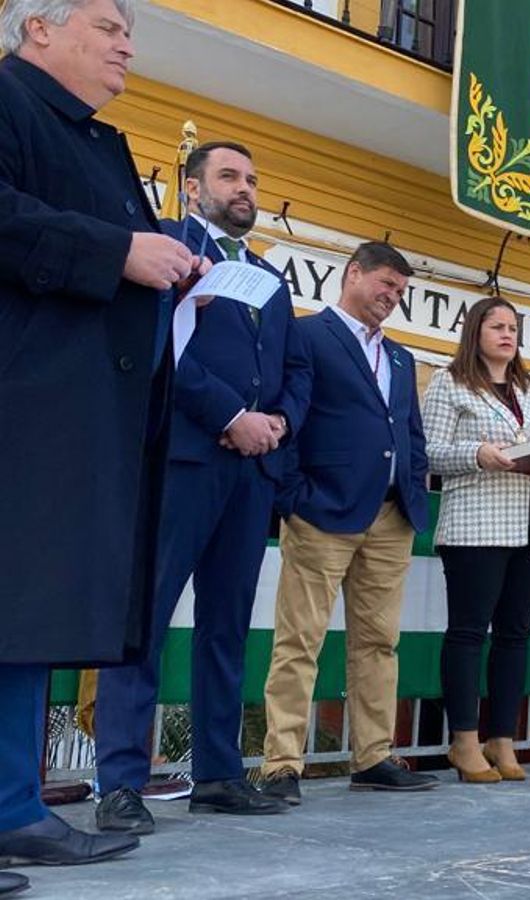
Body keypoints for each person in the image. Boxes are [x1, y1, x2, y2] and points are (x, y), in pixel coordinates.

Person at [0, 0, 203, 882]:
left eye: (129, 31)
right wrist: (118, 250)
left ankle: (15, 807)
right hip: (22, 399)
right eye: (106, 24)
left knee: (28, 615)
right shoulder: (7, 101)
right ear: (35, 28)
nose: (126, 43)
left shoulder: (97, 138)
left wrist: (157, 257)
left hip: (77, 412)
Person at [95, 140, 310, 832]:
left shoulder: (272, 279)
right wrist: (229, 416)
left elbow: (296, 368)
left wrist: (275, 422)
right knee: (146, 620)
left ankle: (217, 772)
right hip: (184, 460)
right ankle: (121, 782)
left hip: (250, 474)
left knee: (227, 626)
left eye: (251, 177)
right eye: (228, 176)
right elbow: (158, 347)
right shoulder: (166, 250)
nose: (244, 187)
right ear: (192, 190)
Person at [256, 242, 438, 803]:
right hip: (320, 514)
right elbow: (288, 417)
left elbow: (408, 433)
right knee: (299, 640)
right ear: (352, 274)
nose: (392, 297)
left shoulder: (402, 359)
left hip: (390, 518)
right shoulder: (309, 336)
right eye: (385, 283)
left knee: (379, 642)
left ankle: (374, 756)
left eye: (401, 291)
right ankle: (281, 763)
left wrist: (413, 489)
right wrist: (292, 495)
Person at [421, 296, 530, 783]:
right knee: (467, 632)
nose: (506, 334)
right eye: (496, 325)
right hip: (476, 523)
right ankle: (462, 740)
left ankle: (502, 739)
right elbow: (429, 452)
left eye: (513, 327)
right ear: (475, 332)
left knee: (514, 636)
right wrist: (478, 453)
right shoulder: (449, 381)